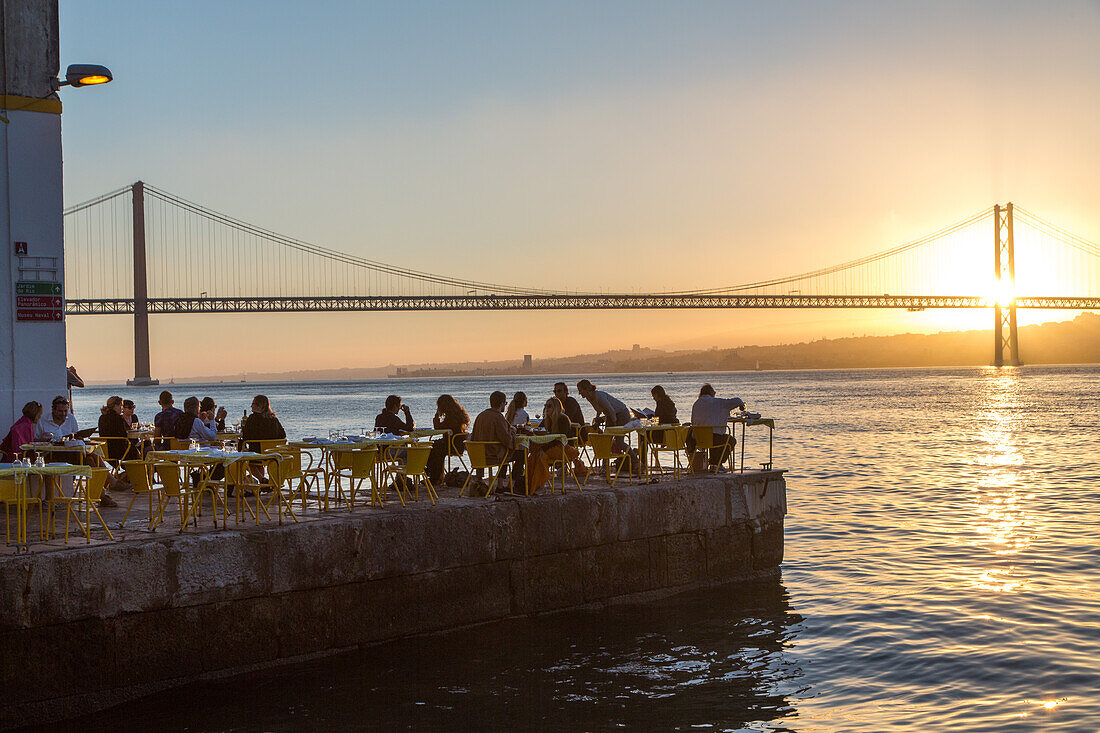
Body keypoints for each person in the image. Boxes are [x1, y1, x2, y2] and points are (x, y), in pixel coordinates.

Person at [470, 391, 520, 493]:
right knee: (519, 455)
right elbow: (506, 439)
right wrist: (513, 432)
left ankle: (499, 484)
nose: (505, 406)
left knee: (505, 451)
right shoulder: (498, 417)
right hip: (492, 456)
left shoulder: (481, 416)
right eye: (505, 403)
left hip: (478, 456)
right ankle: (508, 485)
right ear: (501, 403)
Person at [689, 383, 745, 469]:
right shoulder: (718, 402)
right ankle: (717, 464)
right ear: (712, 393)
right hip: (714, 438)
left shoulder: (696, 404)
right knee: (730, 440)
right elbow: (737, 400)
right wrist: (741, 405)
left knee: (715, 435)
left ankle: (713, 464)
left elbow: (693, 421)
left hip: (698, 439)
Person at [426, 394, 469, 485]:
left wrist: (437, 415)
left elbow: (438, 428)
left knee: (434, 449)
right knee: (434, 447)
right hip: (456, 444)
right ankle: (436, 475)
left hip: (453, 445)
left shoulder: (452, 418)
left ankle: (434, 476)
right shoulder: (457, 415)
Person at [97, 396, 133, 461]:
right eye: (121, 406)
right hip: (118, 451)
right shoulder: (118, 418)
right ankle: (136, 470)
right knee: (135, 449)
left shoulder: (102, 417)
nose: (122, 409)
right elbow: (123, 435)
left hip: (105, 450)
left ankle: (126, 470)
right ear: (115, 406)